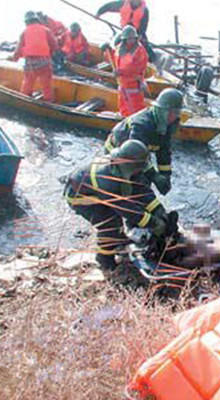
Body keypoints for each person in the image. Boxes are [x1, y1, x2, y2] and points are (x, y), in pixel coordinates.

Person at [64, 139, 177, 270]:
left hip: (100, 194)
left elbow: (141, 190)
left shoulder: (127, 166)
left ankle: (119, 239)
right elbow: (127, 210)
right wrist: (154, 223)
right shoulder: (106, 179)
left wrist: (158, 210)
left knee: (120, 220)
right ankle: (104, 259)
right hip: (82, 198)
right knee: (110, 224)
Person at [104, 88, 183, 198]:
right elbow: (135, 156)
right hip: (119, 150)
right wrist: (154, 176)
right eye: (174, 113)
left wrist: (165, 176)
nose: (176, 117)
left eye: (178, 113)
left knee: (145, 181)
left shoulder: (167, 125)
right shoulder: (141, 125)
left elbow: (164, 152)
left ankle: (145, 204)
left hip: (139, 151)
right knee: (133, 181)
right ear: (163, 110)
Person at [9, 11, 58, 102]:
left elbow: (18, 51)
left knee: (28, 83)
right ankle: (49, 102)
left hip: (30, 63)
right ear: (37, 20)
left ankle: (24, 99)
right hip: (44, 63)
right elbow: (55, 46)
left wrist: (14, 58)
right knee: (47, 85)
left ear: (26, 22)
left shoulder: (24, 32)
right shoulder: (46, 30)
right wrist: (47, 54)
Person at [101, 26, 148, 117]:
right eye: (128, 38)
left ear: (136, 38)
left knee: (135, 105)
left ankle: (136, 120)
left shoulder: (140, 51)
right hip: (122, 83)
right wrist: (108, 51)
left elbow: (137, 68)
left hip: (133, 83)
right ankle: (123, 116)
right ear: (124, 39)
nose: (131, 40)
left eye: (132, 38)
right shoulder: (120, 48)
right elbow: (115, 59)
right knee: (123, 103)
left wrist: (121, 72)